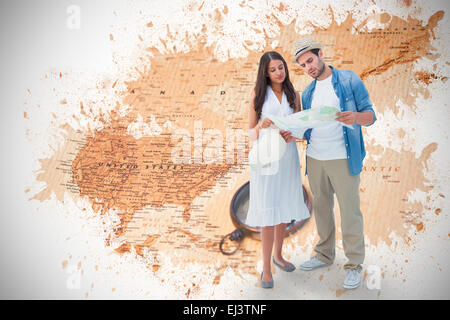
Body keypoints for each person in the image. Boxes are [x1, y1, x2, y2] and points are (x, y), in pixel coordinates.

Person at [292, 37, 377, 289]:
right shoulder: (308, 92)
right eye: (303, 65)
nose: (308, 67)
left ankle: (354, 265)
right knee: (321, 208)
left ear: (320, 54)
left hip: (342, 157)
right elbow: (307, 124)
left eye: (310, 60)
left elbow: (370, 116)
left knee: (350, 211)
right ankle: (324, 254)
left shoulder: (349, 80)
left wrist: (355, 117)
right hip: (315, 157)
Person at [246, 51, 310, 289]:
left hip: (288, 157)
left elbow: (301, 128)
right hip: (266, 158)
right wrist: (262, 126)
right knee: (268, 210)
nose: (278, 73)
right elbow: (251, 133)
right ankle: (265, 268)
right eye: (273, 70)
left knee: (283, 207)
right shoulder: (258, 95)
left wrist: (292, 134)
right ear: (265, 72)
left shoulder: (294, 94)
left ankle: (279, 256)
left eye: (281, 67)